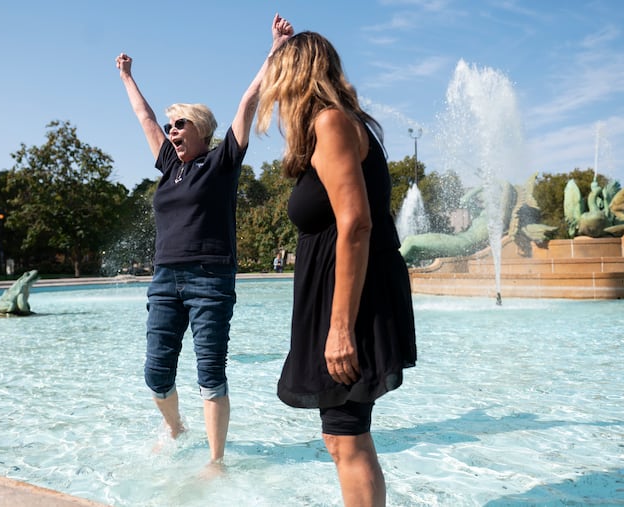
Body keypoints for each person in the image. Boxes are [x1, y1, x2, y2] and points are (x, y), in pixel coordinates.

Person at [115, 14, 293, 465]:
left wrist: (274, 48)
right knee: (156, 375)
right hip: (164, 280)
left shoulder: (221, 163)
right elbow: (145, 115)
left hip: (210, 281)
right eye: (171, 126)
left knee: (210, 375)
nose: (172, 131)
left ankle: (215, 462)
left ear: (200, 129)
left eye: (180, 126)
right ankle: (174, 427)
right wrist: (127, 76)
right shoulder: (170, 167)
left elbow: (249, 99)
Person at [256, 32, 417, 505]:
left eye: (278, 77)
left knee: (347, 439)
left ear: (295, 77)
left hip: (351, 304)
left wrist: (340, 327)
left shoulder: (331, 123)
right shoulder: (334, 126)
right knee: (341, 437)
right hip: (342, 298)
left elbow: (357, 226)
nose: (274, 92)